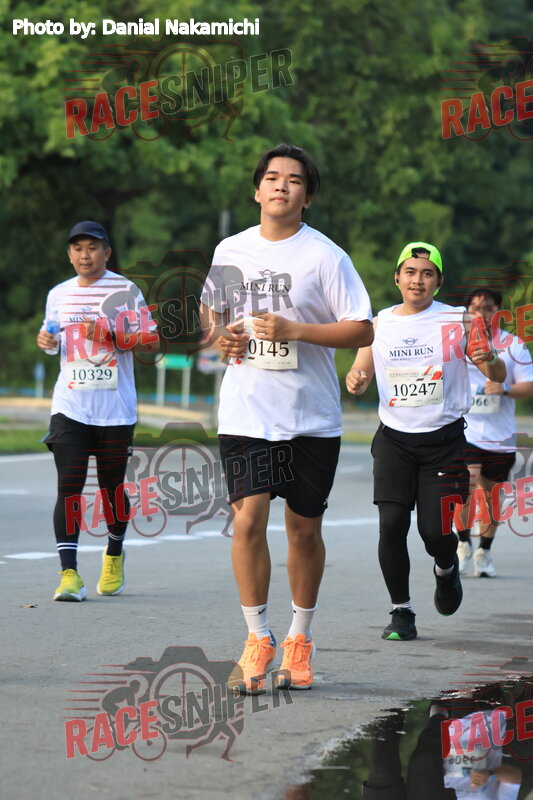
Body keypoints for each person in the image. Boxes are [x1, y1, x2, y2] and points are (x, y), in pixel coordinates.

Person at [200, 143, 373, 692]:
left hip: (310, 417)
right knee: (248, 521)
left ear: (307, 196)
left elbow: (362, 329)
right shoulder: (231, 249)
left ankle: (300, 639)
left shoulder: (326, 256)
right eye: (272, 177)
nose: (281, 186)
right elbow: (212, 314)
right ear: (257, 190)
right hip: (247, 412)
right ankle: (258, 637)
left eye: (294, 180)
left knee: (303, 530)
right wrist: (221, 336)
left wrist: (295, 330)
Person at [346, 243, 506, 641]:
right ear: (397, 278)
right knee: (391, 525)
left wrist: (488, 358)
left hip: (444, 443)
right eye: (411, 272)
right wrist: (356, 379)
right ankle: (401, 611)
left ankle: (446, 570)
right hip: (394, 441)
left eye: (427, 273)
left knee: (435, 533)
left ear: (438, 281)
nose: (418, 280)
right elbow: (360, 370)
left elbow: (498, 373)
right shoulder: (379, 323)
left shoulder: (459, 320)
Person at [37, 221, 159, 601]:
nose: (84, 255)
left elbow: (151, 344)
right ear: (69, 254)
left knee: (111, 489)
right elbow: (52, 340)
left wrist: (109, 335)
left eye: (92, 247)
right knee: (69, 486)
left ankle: (114, 553)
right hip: (70, 406)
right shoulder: (58, 294)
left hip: (115, 410)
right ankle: (69, 574)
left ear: (106, 252)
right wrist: (46, 340)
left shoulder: (126, 291)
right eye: (77, 248)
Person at [458, 288, 533, 578]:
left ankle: (484, 551)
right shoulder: (455, 343)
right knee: (465, 487)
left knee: (491, 496)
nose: (481, 314)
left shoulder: (513, 345)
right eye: (474, 308)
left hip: (499, 436)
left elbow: (528, 385)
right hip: (464, 432)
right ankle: (463, 543)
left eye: (488, 308)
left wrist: (505, 388)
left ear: (498, 312)